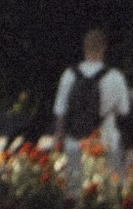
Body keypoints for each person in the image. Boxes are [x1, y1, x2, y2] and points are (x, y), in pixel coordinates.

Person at [50, 25, 128, 183]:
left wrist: (57, 142)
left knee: (74, 189)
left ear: (84, 47)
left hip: (74, 141)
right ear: (104, 48)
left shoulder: (69, 75)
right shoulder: (115, 76)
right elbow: (123, 111)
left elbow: (60, 113)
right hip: (106, 141)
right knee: (106, 190)